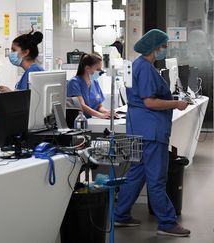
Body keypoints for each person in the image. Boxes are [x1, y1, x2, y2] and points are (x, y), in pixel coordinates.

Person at [114, 29, 190, 237]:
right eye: (163, 46)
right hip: (151, 131)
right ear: (155, 47)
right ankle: (166, 222)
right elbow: (150, 102)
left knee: (137, 173)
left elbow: (139, 98)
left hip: (137, 128)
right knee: (156, 178)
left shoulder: (135, 65)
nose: (164, 50)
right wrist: (176, 103)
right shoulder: (146, 69)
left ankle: (120, 214)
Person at [67, 53, 111, 119]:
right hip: (80, 121)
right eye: (98, 69)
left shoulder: (95, 82)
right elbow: (82, 106)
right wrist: (100, 115)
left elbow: (99, 106)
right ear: (87, 68)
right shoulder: (74, 83)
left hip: (92, 120)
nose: (100, 72)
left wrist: (108, 113)